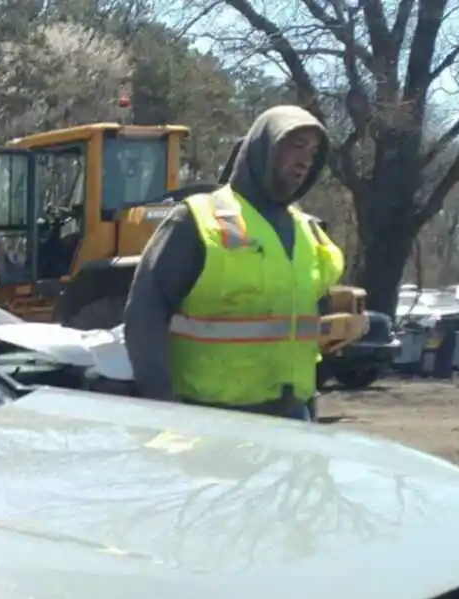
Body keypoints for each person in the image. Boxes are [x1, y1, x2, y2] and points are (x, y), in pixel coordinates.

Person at [123, 105, 346, 420]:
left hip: (291, 418)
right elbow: (145, 314)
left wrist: (308, 408)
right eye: (295, 146)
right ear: (262, 148)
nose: (304, 161)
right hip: (210, 420)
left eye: (312, 152)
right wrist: (164, 409)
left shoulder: (309, 232)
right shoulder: (197, 220)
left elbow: (303, 333)